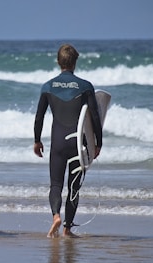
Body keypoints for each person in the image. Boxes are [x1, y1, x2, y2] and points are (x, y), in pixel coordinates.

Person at [33, 44, 102, 238]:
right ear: (75, 62)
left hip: (57, 143)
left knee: (56, 185)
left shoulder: (47, 86)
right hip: (77, 144)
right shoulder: (85, 86)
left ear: (58, 62)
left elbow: (39, 118)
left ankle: (56, 215)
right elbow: (95, 117)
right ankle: (67, 228)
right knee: (74, 186)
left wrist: (37, 141)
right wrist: (97, 144)